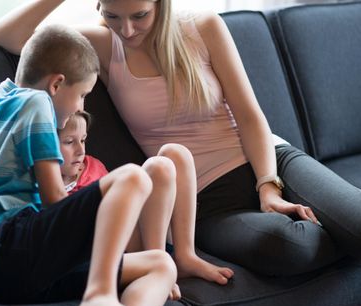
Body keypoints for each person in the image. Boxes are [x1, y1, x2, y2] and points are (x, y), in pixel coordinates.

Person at [0, 0, 361, 277]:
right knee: (289, 249)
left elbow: (249, 115)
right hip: (201, 202)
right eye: (113, 15)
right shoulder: (105, 46)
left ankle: (360, 217)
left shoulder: (204, 27)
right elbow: (6, 36)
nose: (127, 30)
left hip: (270, 163)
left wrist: (268, 186)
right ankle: (349, 217)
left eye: (140, 15)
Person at [0, 24, 179, 306]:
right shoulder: (36, 103)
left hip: (14, 273)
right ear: (57, 84)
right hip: (9, 245)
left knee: (161, 264)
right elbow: (54, 201)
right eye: (83, 95)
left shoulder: (0, 101)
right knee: (133, 177)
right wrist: (97, 217)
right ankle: (99, 295)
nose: (80, 107)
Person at [58, 111, 234, 290]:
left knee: (173, 154)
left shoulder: (93, 166)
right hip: (123, 251)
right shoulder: (44, 187)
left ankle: (185, 256)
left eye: (83, 140)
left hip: (151, 233)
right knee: (155, 168)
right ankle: (156, 268)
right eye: (69, 142)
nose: (81, 150)